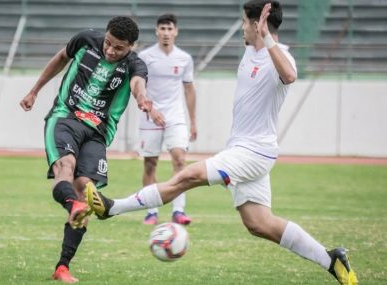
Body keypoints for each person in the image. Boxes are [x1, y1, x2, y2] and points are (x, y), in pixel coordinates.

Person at [85, 2, 358, 284]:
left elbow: (289, 76)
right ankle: (331, 259)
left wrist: (265, 35)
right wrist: (260, 33)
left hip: (254, 151)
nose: (241, 27)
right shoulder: (251, 50)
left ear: (257, 26)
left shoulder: (281, 55)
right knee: (259, 224)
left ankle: (111, 208)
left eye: (244, 22)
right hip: (240, 148)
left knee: (187, 175)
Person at [20, 16, 151, 283]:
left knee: (85, 189)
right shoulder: (85, 39)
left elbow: (138, 83)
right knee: (65, 168)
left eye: (119, 48)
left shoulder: (135, 64)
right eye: (108, 43)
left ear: (131, 47)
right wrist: (34, 90)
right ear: (105, 35)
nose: (110, 51)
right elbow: (60, 59)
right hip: (65, 117)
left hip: (98, 132)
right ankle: (73, 205)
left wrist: (142, 98)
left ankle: (62, 267)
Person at [137, 13, 197, 226]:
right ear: (156, 31)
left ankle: (178, 210)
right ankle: (151, 211)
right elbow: (138, 85)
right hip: (150, 117)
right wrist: (150, 109)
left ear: (176, 31)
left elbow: (189, 90)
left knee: (180, 160)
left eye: (169, 29)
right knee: (150, 165)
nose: (166, 33)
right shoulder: (145, 56)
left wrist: (193, 121)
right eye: (162, 29)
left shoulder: (184, 58)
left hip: (175, 117)